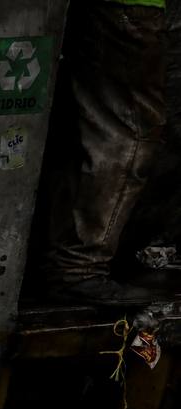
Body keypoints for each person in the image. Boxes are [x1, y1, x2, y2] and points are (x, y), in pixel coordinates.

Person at [41, 0, 167, 305]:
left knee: (88, 120)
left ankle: (61, 259)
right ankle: (79, 267)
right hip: (129, 5)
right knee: (129, 127)